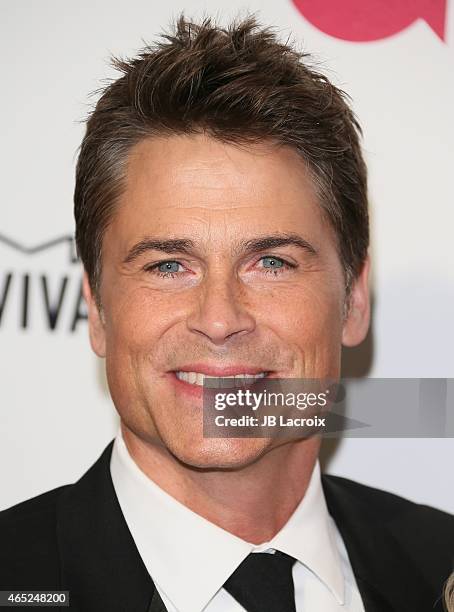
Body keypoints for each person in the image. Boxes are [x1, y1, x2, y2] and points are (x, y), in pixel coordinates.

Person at [1, 14, 453, 612]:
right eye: (168, 265)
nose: (219, 318)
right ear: (98, 308)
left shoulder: (438, 562)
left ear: (355, 298)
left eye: (271, 262)